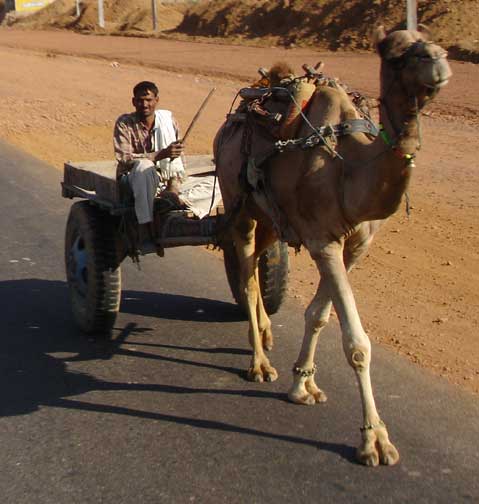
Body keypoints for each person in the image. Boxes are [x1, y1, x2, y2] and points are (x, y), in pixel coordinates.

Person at [113, 80, 185, 242]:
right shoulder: (124, 123)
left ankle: (169, 197)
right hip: (131, 178)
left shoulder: (168, 120)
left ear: (156, 101)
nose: (144, 104)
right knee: (144, 166)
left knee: (213, 181)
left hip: (161, 178)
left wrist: (174, 185)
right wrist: (161, 154)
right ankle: (145, 224)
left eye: (148, 100)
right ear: (134, 102)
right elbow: (125, 158)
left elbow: (178, 158)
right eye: (140, 100)